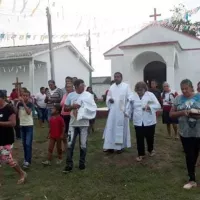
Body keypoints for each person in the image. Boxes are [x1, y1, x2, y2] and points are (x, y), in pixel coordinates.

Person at [170, 79, 200, 189]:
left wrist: (196, 114)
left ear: (192, 88)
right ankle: (192, 180)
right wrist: (182, 112)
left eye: (186, 88)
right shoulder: (178, 99)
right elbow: (171, 114)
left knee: (195, 154)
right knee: (189, 155)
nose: (184, 91)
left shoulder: (199, 97)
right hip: (185, 132)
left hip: (198, 131)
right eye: (182, 89)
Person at [63, 79, 97, 173]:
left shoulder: (88, 95)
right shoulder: (71, 95)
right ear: (76, 86)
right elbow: (65, 108)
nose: (84, 86)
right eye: (82, 85)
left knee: (83, 145)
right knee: (70, 144)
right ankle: (69, 164)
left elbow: (93, 108)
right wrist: (72, 107)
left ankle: (82, 163)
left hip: (84, 124)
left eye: (84, 85)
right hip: (73, 124)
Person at [125, 81, 161, 162]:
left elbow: (157, 105)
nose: (139, 92)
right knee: (139, 138)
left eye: (141, 90)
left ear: (145, 89)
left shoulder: (150, 95)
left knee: (149, 137)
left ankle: (150, 150)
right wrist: (127, 113)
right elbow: (130, 107)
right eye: (137, 90)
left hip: (149, 121)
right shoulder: (133, 97)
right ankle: (141, 154)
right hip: (138, 121)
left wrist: (149, 107)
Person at [0, 91, 27, 186]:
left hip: (6, 138)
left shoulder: (9, 108)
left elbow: (13, 123)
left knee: (7, 159)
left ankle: (22, 173)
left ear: (2, 98)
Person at [103, 72, 132, 154]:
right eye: (115, 77)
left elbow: (130, 97)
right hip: (113, 112)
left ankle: (120, 147)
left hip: (122, 112)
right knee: (110, 128)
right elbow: (108, 97)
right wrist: (109, 99)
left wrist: (127, 109)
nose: (116, 78)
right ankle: (110, 146)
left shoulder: (126, 86)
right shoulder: (111, 87)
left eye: (118, 77)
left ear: (121, 78)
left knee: (120, 128)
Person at [17, 90, 34, 169]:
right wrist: (15, 103)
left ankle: (27, 161)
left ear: (29, 96)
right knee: (24, 144)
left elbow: (28, 112)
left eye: (26, 95)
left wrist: (23, 103)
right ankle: (26, 159)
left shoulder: (30, 104)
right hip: (22, 125)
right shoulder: (19, 104)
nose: (25, 97)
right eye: (23, 95)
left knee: (28, 143)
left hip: (29, 125)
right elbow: (15, 112)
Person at [60, 83, 74, 151]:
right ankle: (64, 145)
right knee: (63, 131)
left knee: (70, 131)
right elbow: (61, 104)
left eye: (69, 87)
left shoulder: (74, 95)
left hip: (70, 115)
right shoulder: (65, 95)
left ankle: (69, 144)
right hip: (63, 114)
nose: (68, 88)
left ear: (72, 87)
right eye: (67, 87)